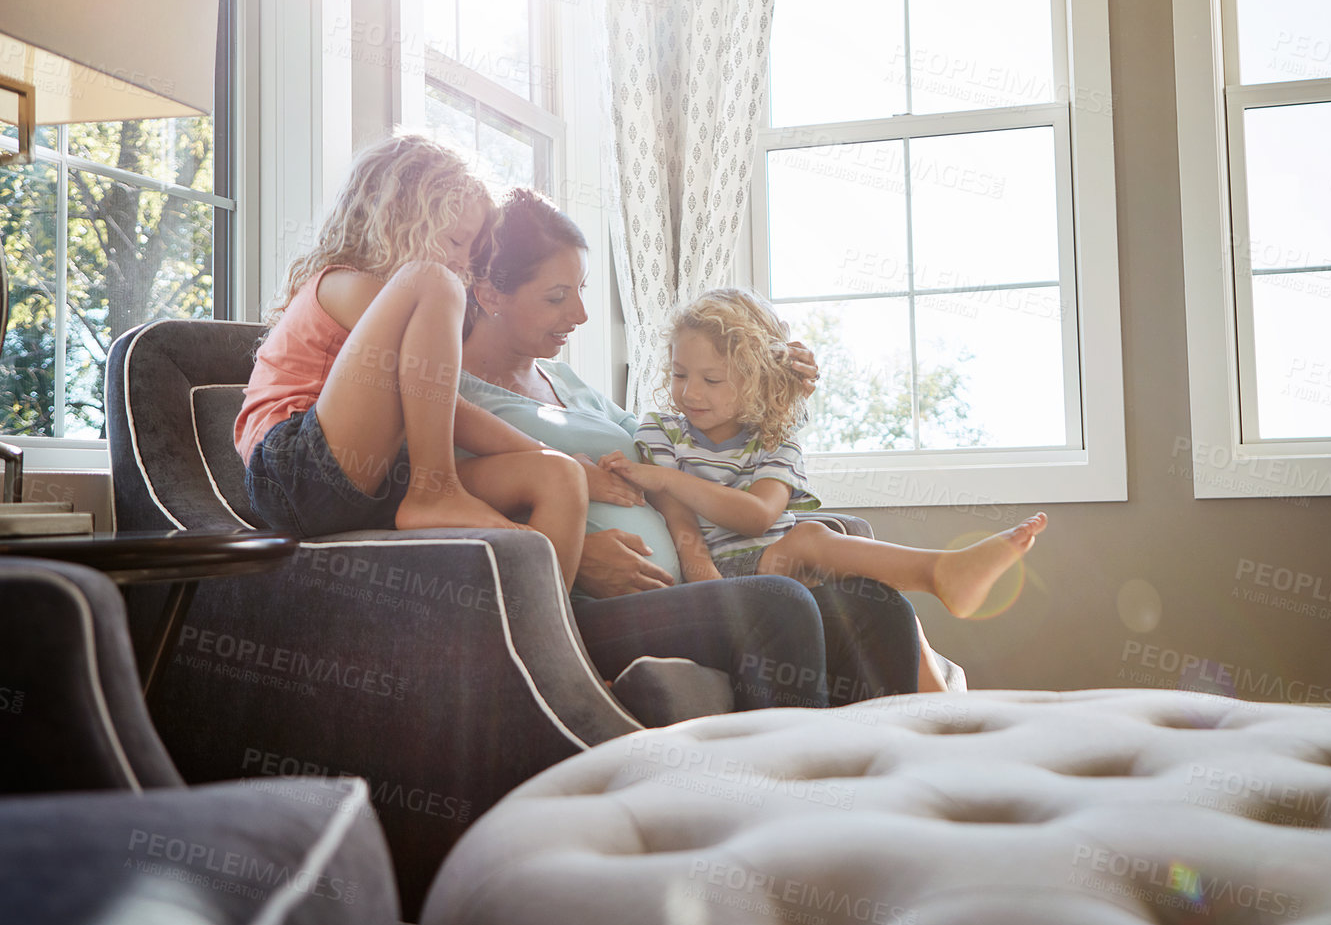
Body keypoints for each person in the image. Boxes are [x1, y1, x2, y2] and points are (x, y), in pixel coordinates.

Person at [459, 189, 925, 709]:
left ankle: (877, 779)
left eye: (581, 290)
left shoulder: (566, 380)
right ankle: (785, 783)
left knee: (873, 605)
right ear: (489, 293)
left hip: (692, 581)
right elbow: (447, 504)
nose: (582, 313)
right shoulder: (455, 398)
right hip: (600, 603)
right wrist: (564, 554)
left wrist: (771, 386)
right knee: (776, 604)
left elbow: (680, 444)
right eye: (557, 296)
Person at [598, 288, 1043, 691]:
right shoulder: (661, 433)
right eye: (679, 375)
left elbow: (758, 515)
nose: (690, 392)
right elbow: (680, 525)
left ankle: (942, 710)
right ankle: (940, 571)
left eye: (711, 380)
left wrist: (669, 478)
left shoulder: (775, 443)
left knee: (876, 592)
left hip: (774, 562)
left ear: (757, 380)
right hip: (727, 574)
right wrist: (713, 591)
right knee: (814, 538)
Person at [234, 134, 588, 583]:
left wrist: (556, 455)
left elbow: (439, 407)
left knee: (559, 476)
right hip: (293, 472)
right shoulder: (342, 285)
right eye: (457, 241)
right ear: (400, 222)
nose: (464, 263)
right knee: (433, 280)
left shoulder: (398, 311)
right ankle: (434, 489)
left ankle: (534, 636)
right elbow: (449, 408)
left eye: (471, 249)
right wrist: (437, 481)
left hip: (377, 476)